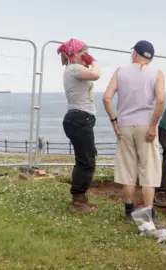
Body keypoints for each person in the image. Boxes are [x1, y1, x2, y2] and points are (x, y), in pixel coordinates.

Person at [102, 40, 166, 229]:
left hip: (124, 126)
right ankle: (149, 214)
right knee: (149, 170)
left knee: (127, 170)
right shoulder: (157, 73)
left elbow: (107, 98)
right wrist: (153, 125)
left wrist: (114, 121)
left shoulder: (120, 71)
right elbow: (160, 100)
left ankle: (129, 212)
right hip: (146, 126)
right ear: (150, 58)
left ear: (135, 54)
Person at [58, 38, 101, 213]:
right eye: (85, 52)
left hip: (79, 119)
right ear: (75, 53)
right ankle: (77, 202)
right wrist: (95, 62)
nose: (88, 55)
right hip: (79, 118)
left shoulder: (74, 69)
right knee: (87, 162)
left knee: (83, 160)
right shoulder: (74, 68)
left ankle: (80, 198)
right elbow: (96, 75)